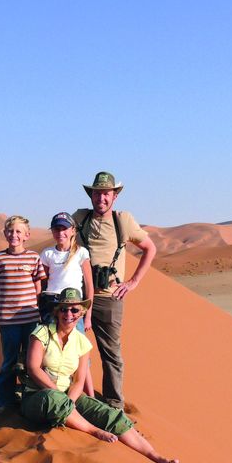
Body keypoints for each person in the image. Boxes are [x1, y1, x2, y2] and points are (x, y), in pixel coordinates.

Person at [21, 287, 178, 463]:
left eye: (74, 309)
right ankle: (94, 430)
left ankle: (155, 456)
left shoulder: (82, 342)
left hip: (68, 395)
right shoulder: (41, 333)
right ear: (57, 311)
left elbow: (79, 380)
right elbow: (33, 368)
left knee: (110, 414)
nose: (69, 314)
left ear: (82, 313)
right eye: (64, 308)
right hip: (37, 396)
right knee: (53, 399)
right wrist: (60, 396)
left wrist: (70, 400)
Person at [73, 172, 157, 410]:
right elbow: (60, 236)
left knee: (111, 354)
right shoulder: (79, 218)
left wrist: (133, 282)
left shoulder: (124, 221)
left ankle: (113, 406)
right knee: (73, 349)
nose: (102, 198)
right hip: (78, 298)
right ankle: (77, 398)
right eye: (97, 193)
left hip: (110, 297)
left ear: (114, 196)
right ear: (91, 195)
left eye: (106, 193)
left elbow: (149, 248)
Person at [0, 215, 47, 414]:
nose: (14, 235)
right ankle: (5, 401)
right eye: (10, 231)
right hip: (8, 321)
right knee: (9, 362)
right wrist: (2, 310)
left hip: (31, 320)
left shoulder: (33, 257)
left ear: (26, 235)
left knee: (32, 362)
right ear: (5, 234)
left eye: (18, 231)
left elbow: (38, 287)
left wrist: (36, 311)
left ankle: (31, 398)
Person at [39, 211, 95, 397]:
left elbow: (89, 285)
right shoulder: (47, 253)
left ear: (73, 230)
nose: (60, 232)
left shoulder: (81, 252)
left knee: (80, 354)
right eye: (56, 228)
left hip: (74, 308)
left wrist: (87, 315)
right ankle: (50, 391)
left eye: (64, 228)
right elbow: (42, 281)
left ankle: (90, 397)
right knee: (49, 350)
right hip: (52, 306)